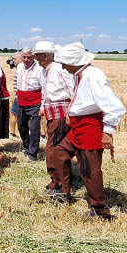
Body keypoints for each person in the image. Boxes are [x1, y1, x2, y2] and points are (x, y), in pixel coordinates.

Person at [59, 42, 127, 220]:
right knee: (60, 152)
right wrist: (71, 114)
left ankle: (100, 210)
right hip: (79, 127)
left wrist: (108, 131)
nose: (63, 66)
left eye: (64, 62)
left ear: (74, 61)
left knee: (89, 169)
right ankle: (63, 189)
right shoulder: (81, 74)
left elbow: (113, 106)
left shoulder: (93, 76)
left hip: (90, 128)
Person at [34, 40, 77, 199]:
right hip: (54, 112)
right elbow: (46, 93)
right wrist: (42, 107)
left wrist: (70, 114)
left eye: (37, 55)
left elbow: (72, 90)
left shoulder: (58, 69)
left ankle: (58, 183)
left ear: (46, 56)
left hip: (61, 113)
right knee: (54, 148)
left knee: (53, 149)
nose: (35, 58)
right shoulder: (48, 70)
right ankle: (59, 180)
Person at [14, 46, 44, 162]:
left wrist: (42, 105)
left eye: (29, 57)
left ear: (33, 57)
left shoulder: (39, 69)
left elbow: (44, 87)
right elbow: (18, 82)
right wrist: (17, 96)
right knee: (21, 127)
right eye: (24, 57)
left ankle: (32, 154)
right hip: (21, 101)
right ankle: (27, 147)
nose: (26, 60)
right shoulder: (20, 66)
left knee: (34, 128)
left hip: (34, 102)